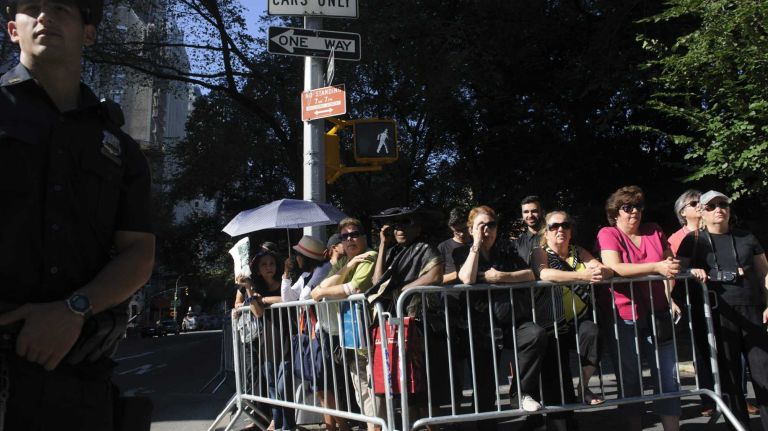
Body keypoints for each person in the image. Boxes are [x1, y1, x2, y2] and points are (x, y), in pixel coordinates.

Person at [0, 1, 156, 429]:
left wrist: (75, 309)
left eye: (61, 8)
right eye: (32, 8)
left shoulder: (119, 147)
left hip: (78, 376)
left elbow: (139, 252)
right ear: (14, 29)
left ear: (89, 32)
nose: (45, 16)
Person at [678, 190, 768, 430]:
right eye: (711, 206)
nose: (719, 209)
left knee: (763, 372)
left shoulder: (746, 237)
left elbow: (764, 273)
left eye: (723, 204)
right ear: (702, 213)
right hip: (717, 314)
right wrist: (691, 273)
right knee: (729, 377)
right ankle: (738, 426)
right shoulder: (694, 240)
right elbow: (677, 275)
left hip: (752, 311)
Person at [595, 185, 681, 431]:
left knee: (667, 377)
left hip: (659, 311)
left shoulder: (654, 230)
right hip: (625, 315)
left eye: (638, 206)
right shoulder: (608, 233)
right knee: (630, 378)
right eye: (627, 207)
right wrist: (656, 267)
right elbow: (616, 266)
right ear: (615, 212)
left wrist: (669, 293)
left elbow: (670, 265)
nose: (634, 211)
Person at [456, 206, 547, 425]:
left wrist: (500, 277)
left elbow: (528, 273)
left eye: (492, 224)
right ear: (471, 229)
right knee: (484, 385)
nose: (487, 229)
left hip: (510, 320)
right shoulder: (462, 252)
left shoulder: (507, 248)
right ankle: (485, 425)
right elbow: (467, 278)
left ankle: (520, 392)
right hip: (480, 327)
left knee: (534, 334)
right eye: (481, 225)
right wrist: (476, 245)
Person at [368, 207, 444, 423]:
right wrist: (382, 244)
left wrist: (402, 290)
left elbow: (435, 275)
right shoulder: (392, 251)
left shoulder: (425, 248)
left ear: (418, 227)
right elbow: (376, 282)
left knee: (424, 388)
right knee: (404, 386)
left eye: (406, 222)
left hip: (420, 323)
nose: (399, 228)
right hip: (397, 325)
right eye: (396, 225)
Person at [531, 211, 613, 412]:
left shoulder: (579, 252)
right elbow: (545, 273)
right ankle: (559, 420)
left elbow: (605, 270)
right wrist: (583, 276)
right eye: (554, 226)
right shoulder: (540, 252)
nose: (560, 229)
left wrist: (600, 271)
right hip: (551, 324)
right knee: (557, 382)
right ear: (546, 232)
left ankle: (583, 386)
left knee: (592, 333)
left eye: (565, 225)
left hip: (579, 318)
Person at [312, 218, 383, 431]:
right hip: (351, 336)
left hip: (370, 334)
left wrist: (323, 292)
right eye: (345, 236)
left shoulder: (370, 256)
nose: (350, 239)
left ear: (363, 236)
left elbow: (354, 288)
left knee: (374, 391)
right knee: (361, 391)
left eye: (354, 234)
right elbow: (324, 283)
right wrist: (349, 266)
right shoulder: (346, 261)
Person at [236, 250, 293, 431]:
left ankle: (288, 426)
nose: (269, 267)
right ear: (258, 270)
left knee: (284, 388)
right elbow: (258, 312)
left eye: (272, 263)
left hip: (286, 338)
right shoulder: (256, 289)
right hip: (266, 341)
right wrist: (249, 289)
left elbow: (287, 299)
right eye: (264, 264)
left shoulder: (284, 282)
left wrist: (265, 299)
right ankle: (277, 423)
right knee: (273, 388)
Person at [437, 207, 470, 284]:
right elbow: (436, 279)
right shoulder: (443, 247)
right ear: (451, 228)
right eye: (457, 231)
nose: (461, 234)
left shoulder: (477, 244)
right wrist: (461, 274)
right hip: (451, 295)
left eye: (465, 229)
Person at [668, 189, 702, 255]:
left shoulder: (713, 230)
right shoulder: (675, 239)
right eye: (693, 204)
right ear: (683, 212)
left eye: (701, 202)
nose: (699, 205)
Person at [513, 195, 545, 265]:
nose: (530, 215)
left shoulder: (552, 238)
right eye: (526, 212)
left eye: (534, 211)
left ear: (542, 212)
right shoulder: (517, 244)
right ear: (522, 214)